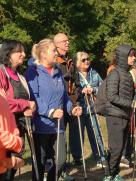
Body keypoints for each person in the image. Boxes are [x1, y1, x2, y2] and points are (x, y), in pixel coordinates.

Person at [25, 38, 82, 181]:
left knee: (60, 161)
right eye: (53, 50)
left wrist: (71, 109)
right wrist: (50, 112)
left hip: (58, 125)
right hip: (40, 125)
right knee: (40, 164)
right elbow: (34, 97)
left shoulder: (57, 71)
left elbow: (63, 96)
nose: (56, 53)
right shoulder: (33, 71)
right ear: (43, 54)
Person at [103, 44, 136, 181]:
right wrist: (133, 103)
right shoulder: (114, 73)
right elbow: (112, 96)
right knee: (116, 148)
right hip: (114, 114)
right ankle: (109, 175)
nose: (134, 58)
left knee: (120, 148)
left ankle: (113, 173)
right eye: (131, 56)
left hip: (125, 114)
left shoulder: (127, 73)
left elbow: (130, 94)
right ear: (123, 57)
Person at [0, 40, 36, 181]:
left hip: (19, 127)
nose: (23, 54)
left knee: (12, 169)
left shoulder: (20, 76)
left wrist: (29, 108)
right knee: (5, 169)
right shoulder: (1, 73)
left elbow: (29, 101)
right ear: (8, 54)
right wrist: (25, 104)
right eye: (19, 51)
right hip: (5, 130)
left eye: (23, 51)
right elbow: (4, 102)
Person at [70, 51, 105, 167]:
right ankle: (77, 158)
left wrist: (93, 90)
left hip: (92, 108)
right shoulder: (73, 75)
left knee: (96, 133)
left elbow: (103, 87)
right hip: (78, 108)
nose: (87, 61)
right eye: (83, 60)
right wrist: (81, 91)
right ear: (77, 62)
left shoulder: (94, 73)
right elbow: (70, 91)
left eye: (88, 59)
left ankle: (100, 156)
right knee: (77, 134)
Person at [54, 32, 75, 180]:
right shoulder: (53, 61)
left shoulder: (69, 60)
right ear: (56, 44)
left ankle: (63, 169)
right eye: (64, 41)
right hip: (57, 105)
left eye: (67, 41)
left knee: (66, 137)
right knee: (58, 138)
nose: (67, 43)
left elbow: (75, 81)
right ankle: (56, 170)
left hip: (70, 102)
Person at [0, 89, 24, 180]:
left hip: (5, 164)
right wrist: (17, 142)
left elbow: (11, 119)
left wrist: (15, 152)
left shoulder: (2, 91)